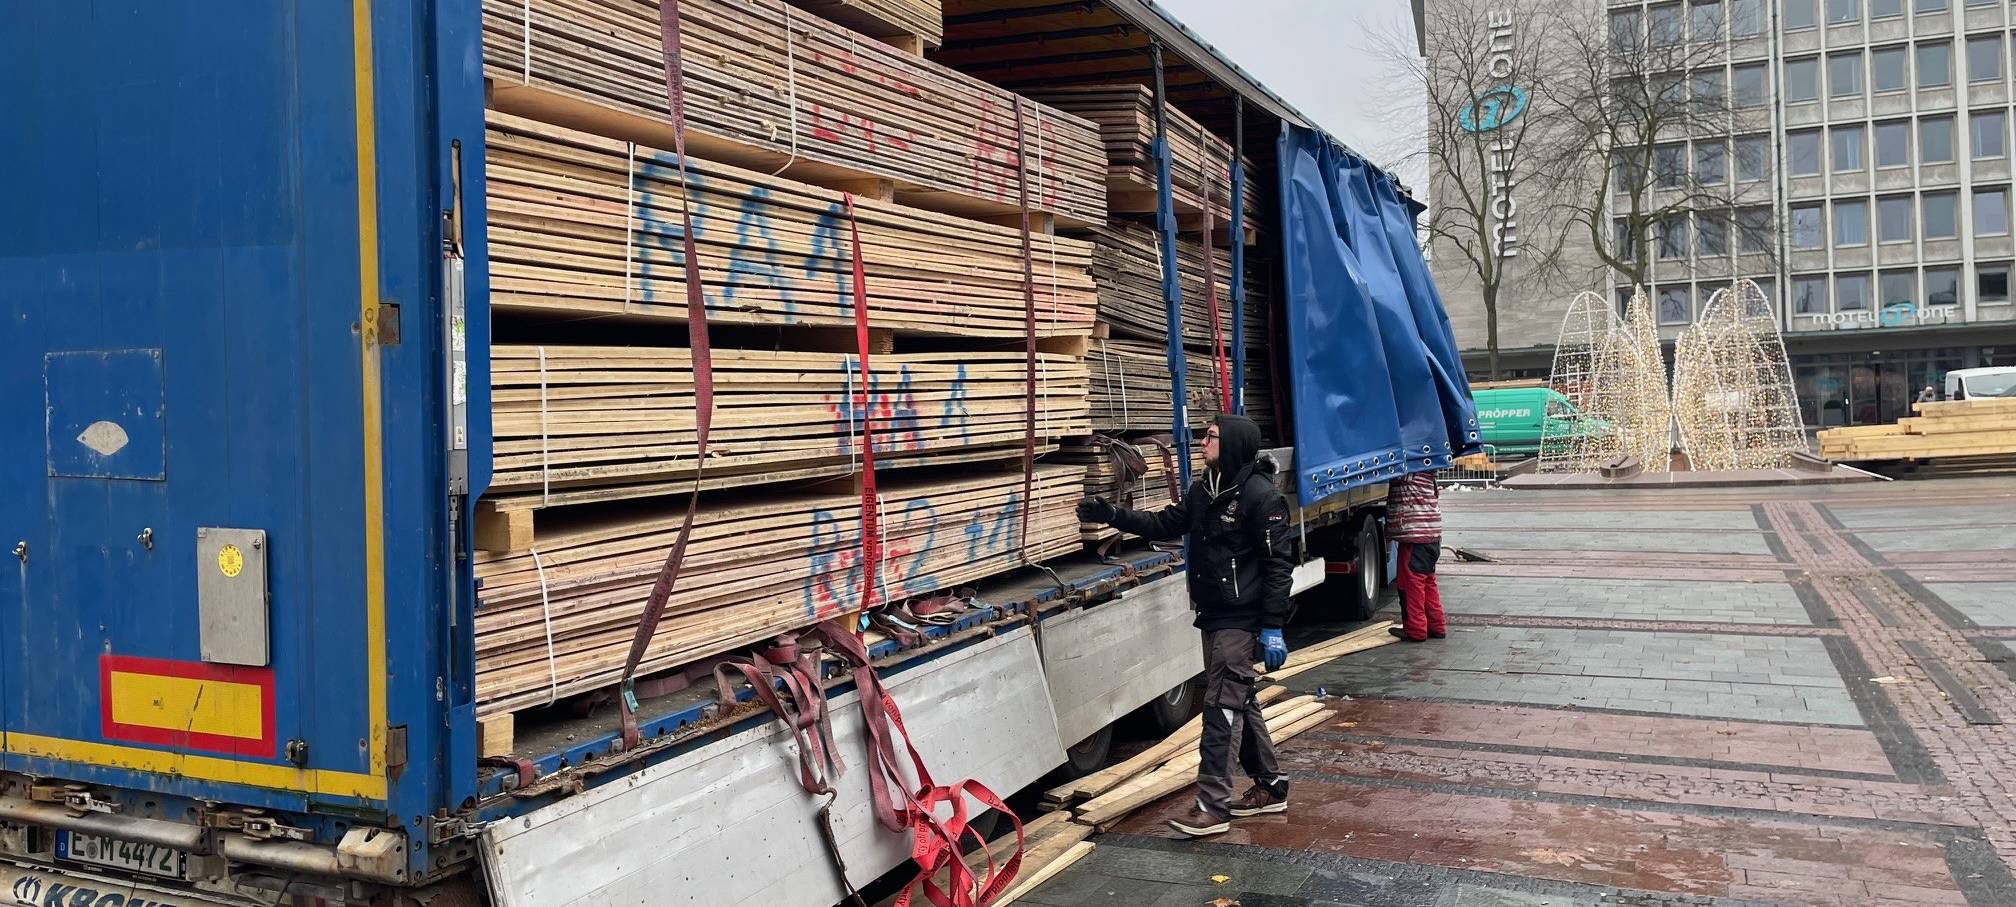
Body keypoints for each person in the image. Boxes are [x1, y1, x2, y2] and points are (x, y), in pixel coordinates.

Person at [1077, 415, 1294, 839]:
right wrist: (1113, 515)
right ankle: (1270, 786)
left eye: (1211, 436)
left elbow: (1278, 566)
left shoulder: (1261, 497)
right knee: (1239, 700)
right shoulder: (1204, 490)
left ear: (1233, 444)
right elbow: (1163, 525)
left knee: (1221, 708)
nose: (1203, 441)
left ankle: (1212, 807)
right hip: (1212, 614)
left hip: (1241, 620)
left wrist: (1272, 626)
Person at [1386, 469, 1445, 643]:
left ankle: (1416, 629)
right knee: (1428, 582)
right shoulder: (1429, 473)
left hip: (1415, 536)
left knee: (1411, 585)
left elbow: (1390, 470)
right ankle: (1437, 626)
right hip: (1432, 536)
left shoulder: (1409, 471)